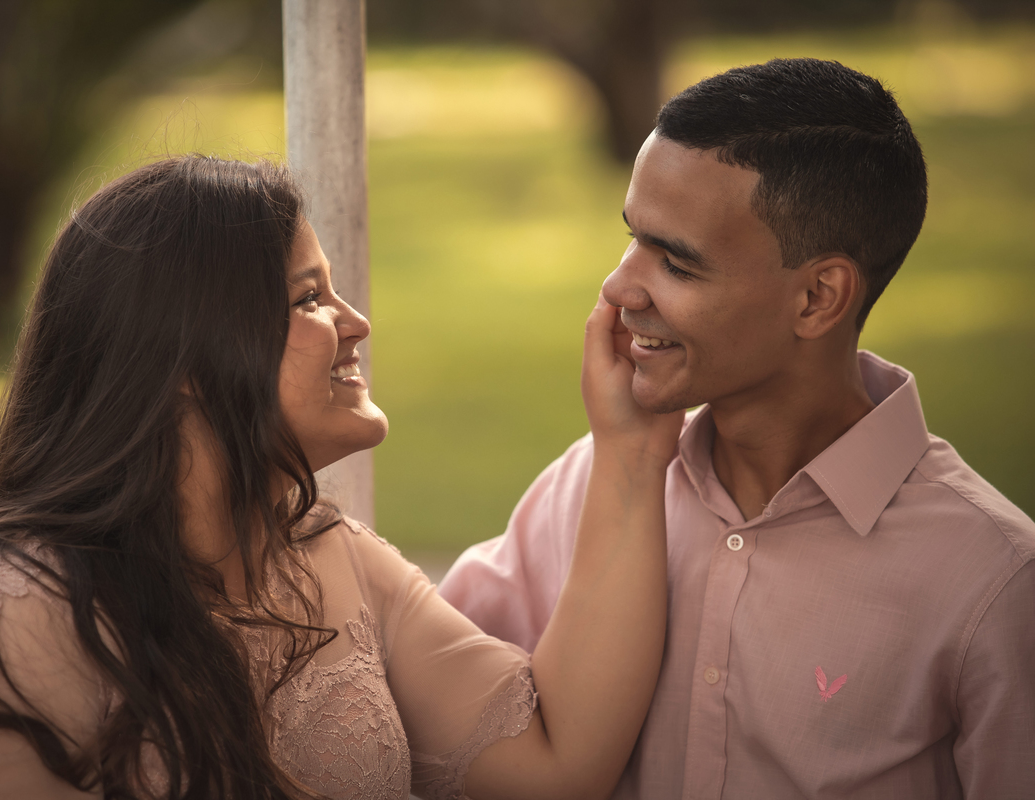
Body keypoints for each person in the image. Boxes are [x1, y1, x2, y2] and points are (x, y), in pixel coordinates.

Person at [0, 156, 678, 800]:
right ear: (183, 358)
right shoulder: (8, 620)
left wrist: (634, 448)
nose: (356, 324)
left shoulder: (330, 559)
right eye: (309, 297)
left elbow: (557, 762)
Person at [439, 57, 1035, 798]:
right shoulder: (587, 486)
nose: (619, 287)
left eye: (677, 264)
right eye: (632, 238)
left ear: (818, 297)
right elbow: (425, 712)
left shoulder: (992, 583)